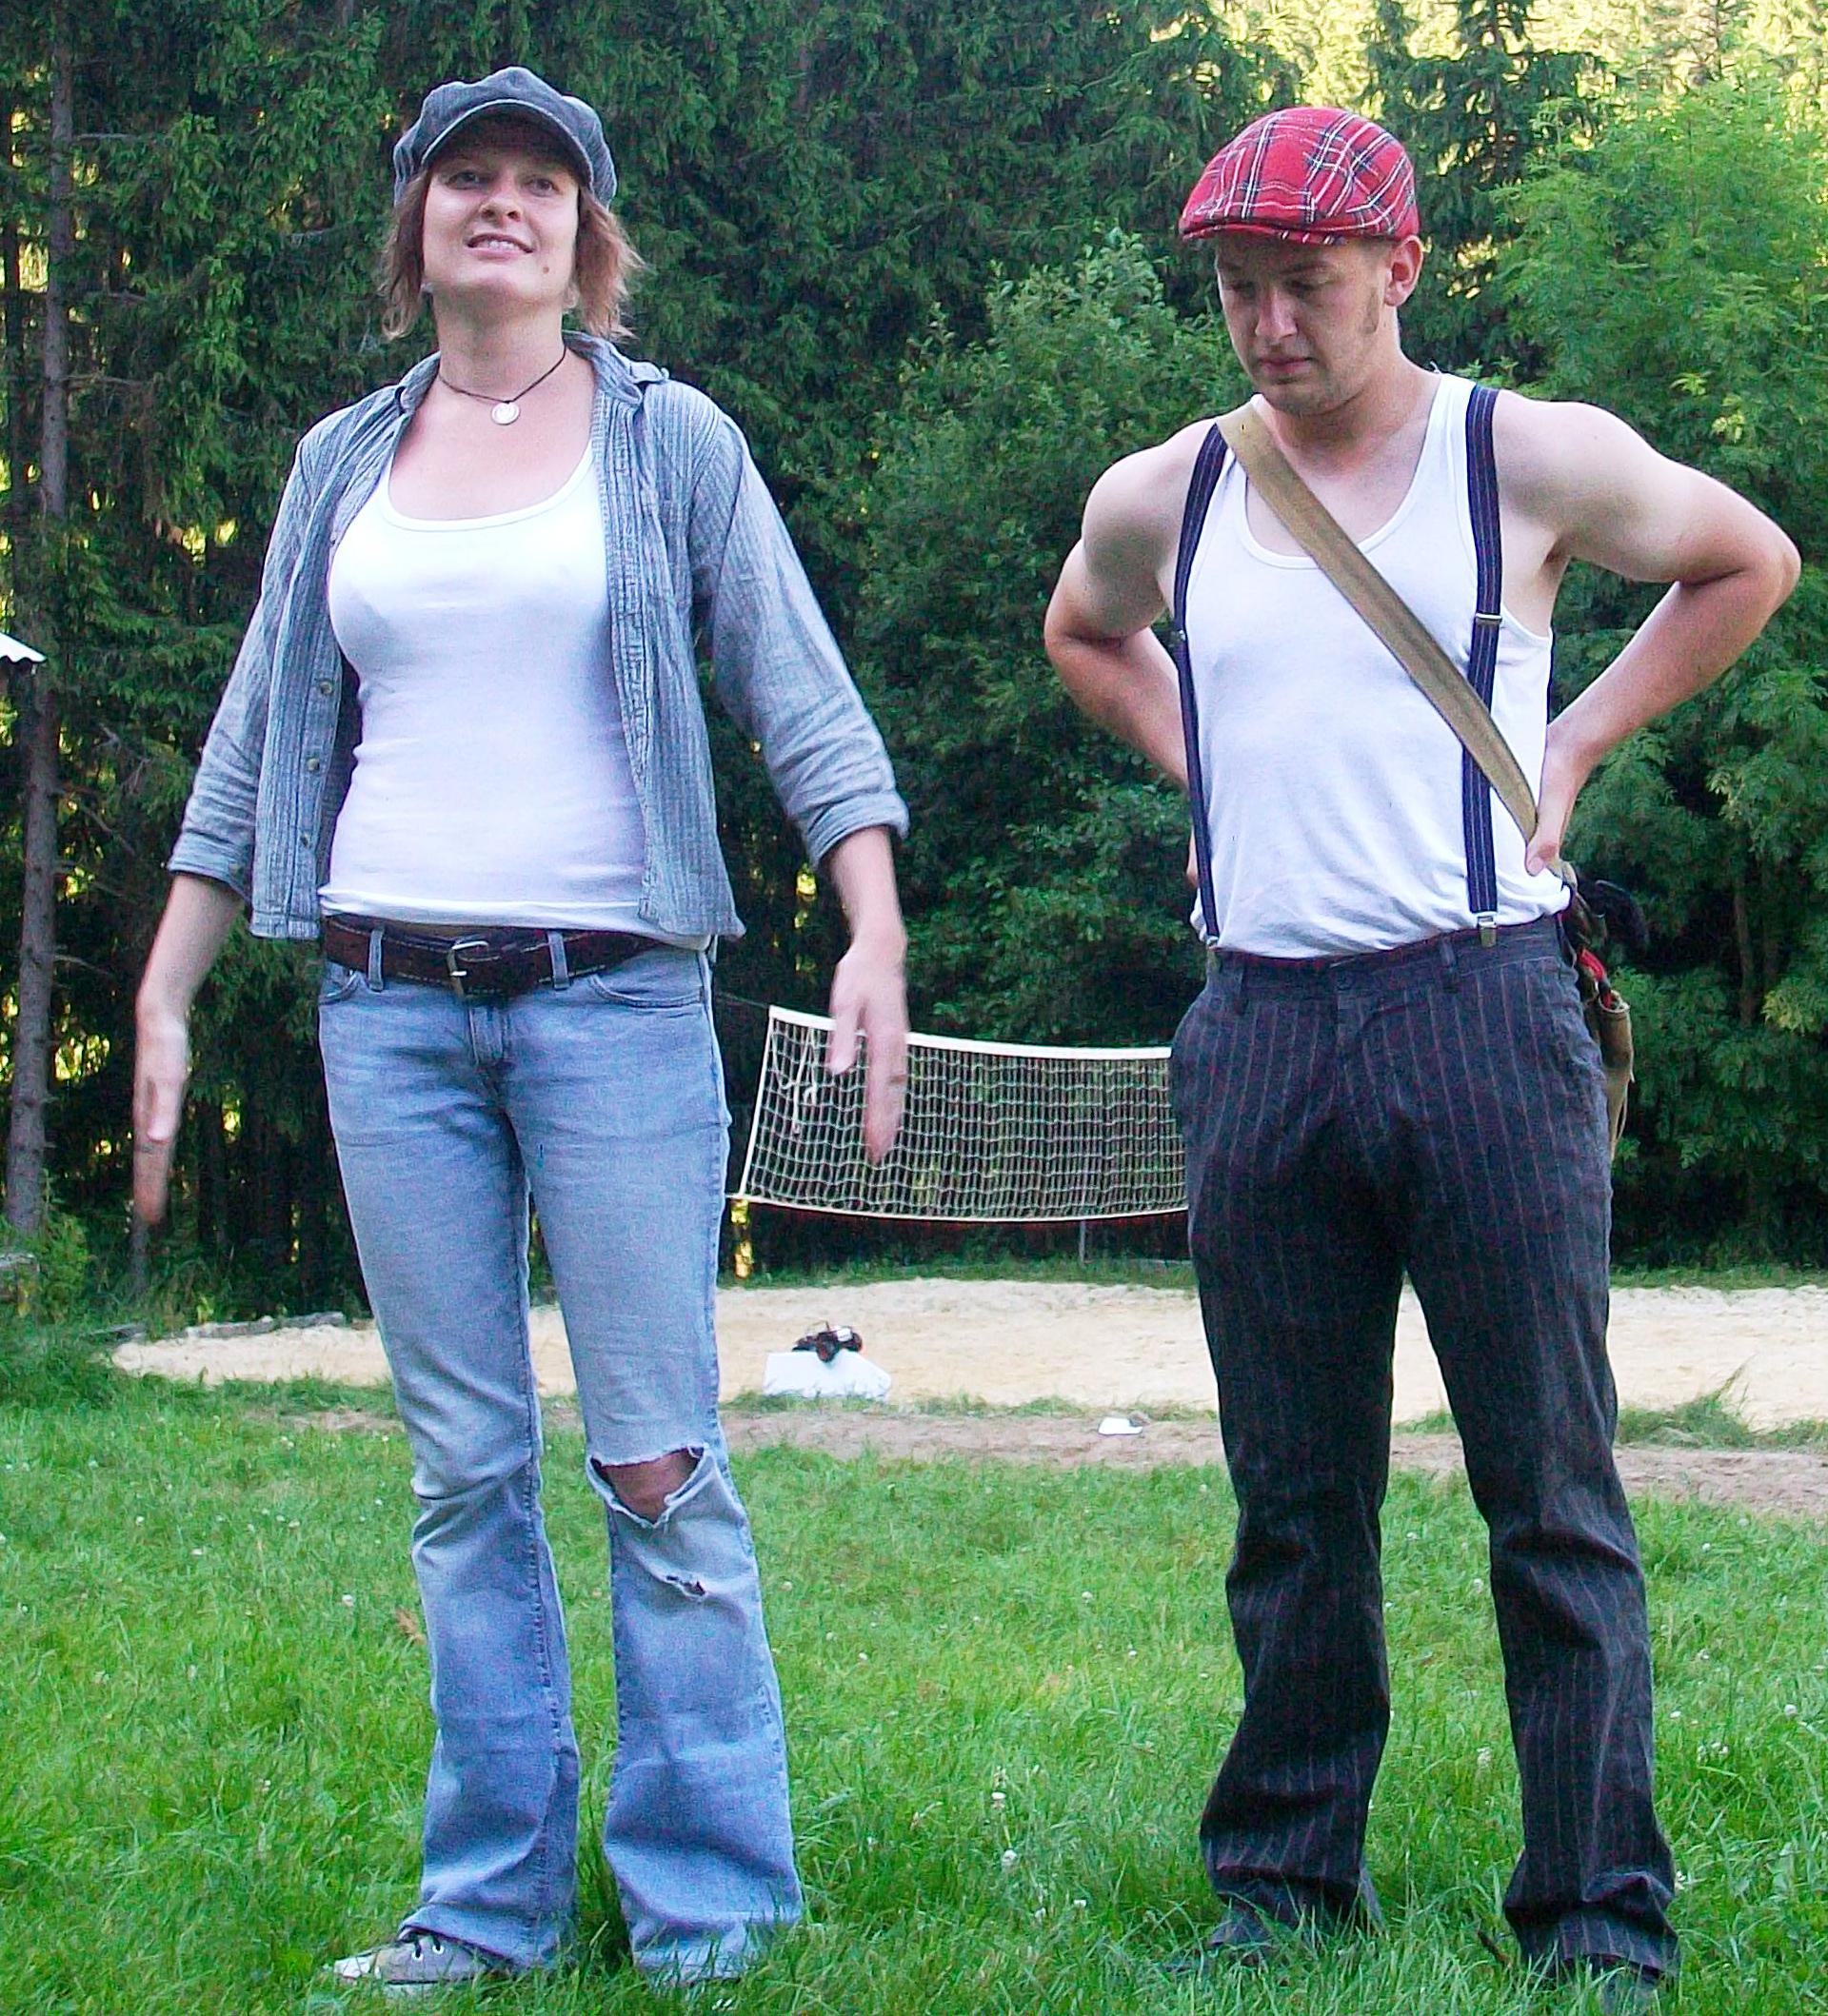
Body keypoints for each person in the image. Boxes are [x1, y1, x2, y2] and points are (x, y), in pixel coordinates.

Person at [132, 67, 910, 1993]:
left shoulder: (672, 441)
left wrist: (873, 917)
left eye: (539, 182)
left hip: (615, 1005)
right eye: (464, 177)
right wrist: (162, 983)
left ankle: (711, 1903)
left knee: (655, 1460)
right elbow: (255, 738)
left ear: (586, 233)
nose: (501, 202)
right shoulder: (339, 463)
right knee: (464, 1473)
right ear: (414, 228)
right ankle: (482, 1904)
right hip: (385, 1014)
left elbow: (797, 687)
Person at [1044, 106, 1797, 2009]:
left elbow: (1747, 560)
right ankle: (1284, 1890)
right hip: (1259, 1030)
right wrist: (1208, 773)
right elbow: (1086, 631)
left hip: (1485, 1013)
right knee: (1294, 1502)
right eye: (1240, 291)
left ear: (1401, 266)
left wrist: (1580, 739)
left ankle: (1600, 1916)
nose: (1271, 326)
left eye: (1306, 285)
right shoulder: (1171, 490)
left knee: (1549, 1493)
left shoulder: (1520, 456)